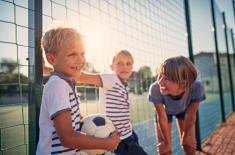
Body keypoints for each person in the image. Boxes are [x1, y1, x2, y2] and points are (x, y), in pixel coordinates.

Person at [36, 26, 120, 155]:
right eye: (72, 54)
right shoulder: (58, 86)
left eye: (82, 53)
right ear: (52, 59)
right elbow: (68, 138)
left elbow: (72, 122)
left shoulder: (66, 84)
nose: (80, 60)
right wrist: (107, 144)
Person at [77, 50, 148, 155]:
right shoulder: (110, 79)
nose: (124, 66)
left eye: (128, 64)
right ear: (111, 66)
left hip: (129, 133)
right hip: (120, 139)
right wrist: (56, 70)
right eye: (120, 63)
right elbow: (82, 77)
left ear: (132, 68)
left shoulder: (124, 84)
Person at [148, 56, 206, 155]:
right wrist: (167, 143)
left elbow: (191, 116)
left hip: (184, 110)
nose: (160, 81)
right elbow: (162, 117)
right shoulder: (155, 89)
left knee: (189, 146)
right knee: (164, 150)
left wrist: (185, 137)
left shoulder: (197, 87)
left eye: (166, 78)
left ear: (183, 84)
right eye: (160, 75)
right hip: (164, 113)